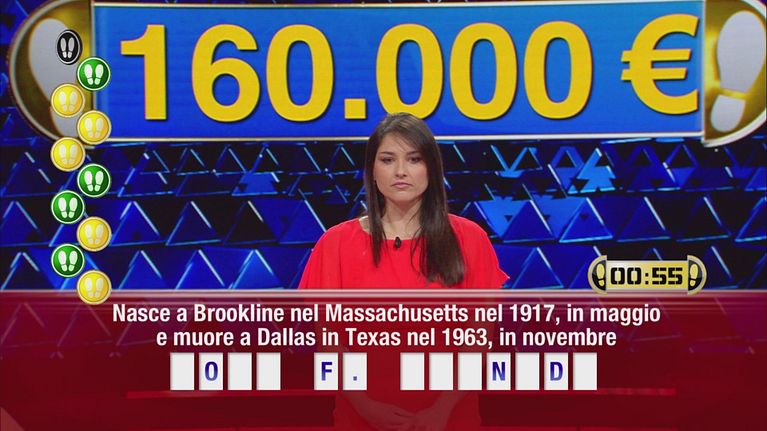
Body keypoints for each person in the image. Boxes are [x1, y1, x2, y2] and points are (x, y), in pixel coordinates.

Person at [299, 113, 508, 431]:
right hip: (360, 420)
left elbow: (478, 340)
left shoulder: (470, 239)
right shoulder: (335, 244)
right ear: (372, 171)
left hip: (449, 420)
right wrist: (366, 407)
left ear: (431, 169)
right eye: (387, 160)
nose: (400, 171)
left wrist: (441, 411)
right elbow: (329, 343)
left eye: (414, 159)